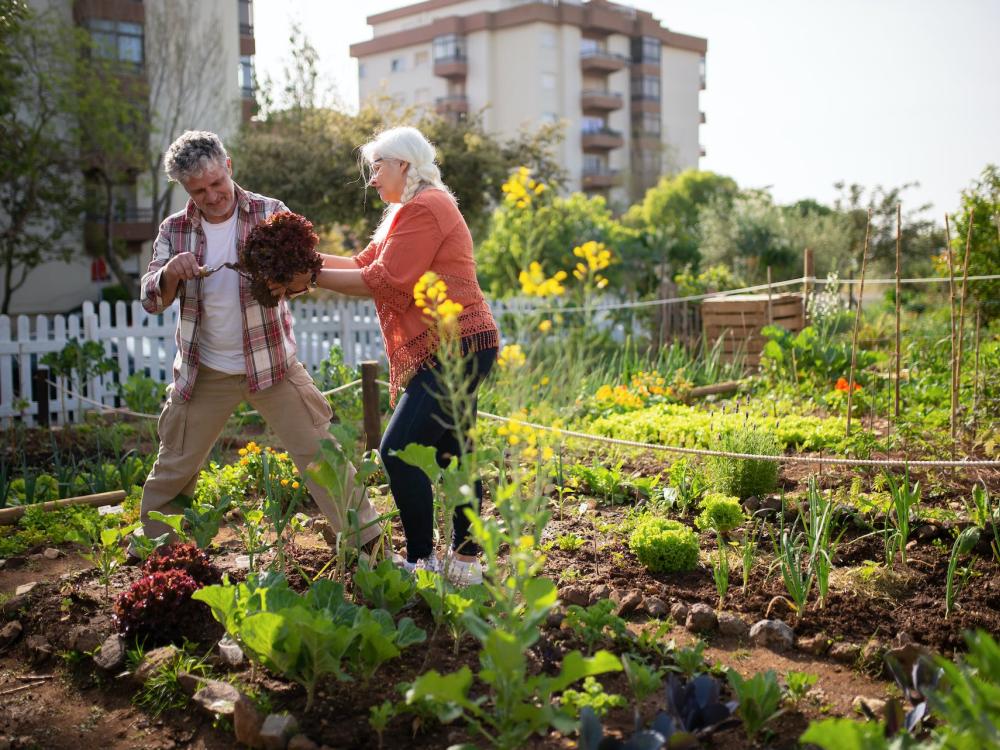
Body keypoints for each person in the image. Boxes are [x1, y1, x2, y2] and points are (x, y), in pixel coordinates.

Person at [269, 126, 499, 585]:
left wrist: (307, 275)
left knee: (397, 451)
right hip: (458, 344)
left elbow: (388, 280)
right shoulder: (407, 211)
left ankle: (421, 562)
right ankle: (467, 562)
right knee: (457, 453)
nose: (372, 179)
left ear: (404, 166)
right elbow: (361, 265)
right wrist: (300, 258)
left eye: (378, 167)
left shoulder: (428, 206)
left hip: (454, 347)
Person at [137, 130, 381, 555]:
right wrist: (170, 273)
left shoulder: (271, 213)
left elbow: (306, 276)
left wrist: (288, 279)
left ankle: (370, 548)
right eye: (199, 191)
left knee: (323, 455)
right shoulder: (173, 230)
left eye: (216, 183)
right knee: (174, 466)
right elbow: (151, 298)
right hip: (204, 371)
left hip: (273, 367)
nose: (212, 196)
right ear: (184, 189)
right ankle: (157, 557)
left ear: (228, 166)